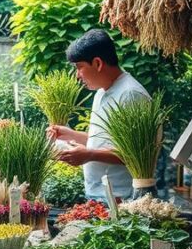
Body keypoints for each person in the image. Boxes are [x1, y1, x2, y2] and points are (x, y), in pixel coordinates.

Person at [47, 29, 150, 201]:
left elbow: (136, 154)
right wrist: (71, 135)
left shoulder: (131, 95)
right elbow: (103, 141)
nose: (77, 75)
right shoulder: (101, 93)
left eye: (79, 68)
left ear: (97, 63)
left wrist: (89, 154)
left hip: (122, 199)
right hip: (98, 196)